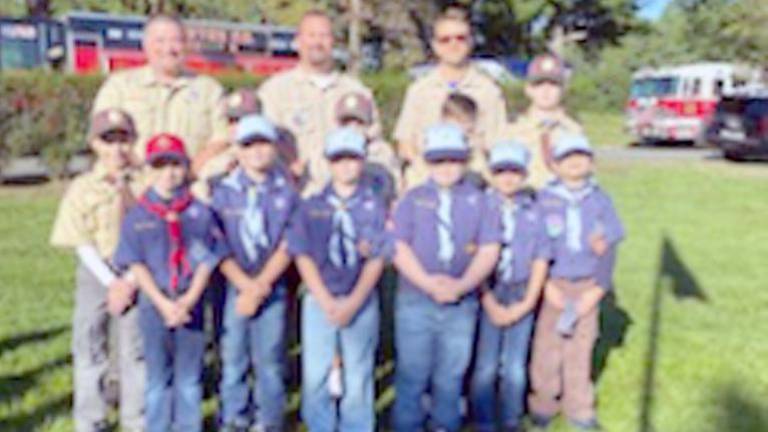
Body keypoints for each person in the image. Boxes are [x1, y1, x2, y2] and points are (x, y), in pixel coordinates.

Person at [390, 123, 501, 431]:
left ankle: (444, 424)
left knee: (450, 376)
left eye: (453, 160)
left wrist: (462, 285)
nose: (446, 167)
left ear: (465, 161)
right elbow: (399, 247)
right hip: (415, 298)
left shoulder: (481, 200)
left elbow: (489, 248)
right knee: (412, 373)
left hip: (461, 302)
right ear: (427, 161)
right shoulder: (412, 199)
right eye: (438, 160)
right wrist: (428, 283)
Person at [113, 133, 225, 432]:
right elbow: (136, 262)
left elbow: (206, 258)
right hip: (155, 301)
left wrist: (189, 299)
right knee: (157, 377)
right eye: (160, 166)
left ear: (186, 167)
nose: (168, 173)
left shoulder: (199, 213)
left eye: (175, 165)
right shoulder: (138, 216)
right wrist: (163, 303)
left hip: (192, 302)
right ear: (148, 170)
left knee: (189, 378)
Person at [50, 109, 145, 432]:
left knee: (135, 352)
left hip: (140, 272)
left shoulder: (146, 182)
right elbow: (80, 239)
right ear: (94, 144)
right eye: (108, 141)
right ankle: (91, 421)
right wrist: (112, 282)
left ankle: (136, 421)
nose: (117, 149)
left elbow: (156, 233)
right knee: (91, 348)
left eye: (124, 140)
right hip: (97, 270)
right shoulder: (82, 187)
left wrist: (130, 281)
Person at [287, 127, 388, 431]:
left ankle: (356, 426)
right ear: (328, 164)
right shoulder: (311, 206)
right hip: (320, 300)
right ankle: (320, 425)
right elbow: (301, 254)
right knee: (316, 372)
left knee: (358, 372)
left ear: (363, 162)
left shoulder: (374, 207)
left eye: (352, 159)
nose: (346, 166)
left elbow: (378, 257)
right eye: (338, 160)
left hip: (360, 299)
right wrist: (325, 299)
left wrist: (354, 301)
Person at [528, 134, 625, 431]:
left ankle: (579, 408)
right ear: (555, 165)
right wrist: (545, 287)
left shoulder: (600, 200)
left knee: (580, 350)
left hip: (586, 285)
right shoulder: (543, 199)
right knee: (547, 348)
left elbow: (609, 245)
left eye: (581, 157)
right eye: (567, 158)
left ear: (592, 162)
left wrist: (597, 290)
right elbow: (534, 247)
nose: (575, 164)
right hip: (553, 284)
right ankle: (543, 403)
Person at [211, 115, 298, 431]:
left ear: (275, 147)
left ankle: (269, 420)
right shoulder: (222, 191)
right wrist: (244, 285)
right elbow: (214, 242)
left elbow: (291, 241)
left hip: (270, 285)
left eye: (263, 143)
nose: (257, 152)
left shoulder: (286, 192)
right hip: (233, 284)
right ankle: (234, 417)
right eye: (249, 145)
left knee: (270, 360)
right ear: (237, 150)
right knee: (233, 358)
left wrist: (260, 284)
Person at [258, 10, 385, 197]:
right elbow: (261, 145)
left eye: (324, 36)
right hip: (295, 197)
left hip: (347, 198)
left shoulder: (356, 92)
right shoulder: (275, 91)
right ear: (298, 41)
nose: (317, 43)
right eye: (311, 35)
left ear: (333, 41)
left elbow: (375, 146)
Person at [469, 141, 550, 432]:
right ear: (491, 173)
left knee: (514, 365)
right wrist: (488, 300)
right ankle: (483, 419)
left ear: (524, 174)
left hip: (521, 289)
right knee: (486, 364)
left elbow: (542, 256)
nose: (508, 178)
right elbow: (473, 258)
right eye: (501, 171)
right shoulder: (479, 206)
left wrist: (529, 301)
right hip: (488, 289)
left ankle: (511, 418)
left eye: (514, 171)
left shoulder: (535, 210)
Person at [92, 14, 229, 177]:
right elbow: (100, 138)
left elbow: (222, 139)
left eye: (176, 41)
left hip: (190, 186)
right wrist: (139, 174)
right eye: (160, 41)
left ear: (186, 45)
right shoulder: (119, 87)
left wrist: (189, 173)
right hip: (131, 182)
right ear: (145, 45)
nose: (168, 49)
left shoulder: (209, 90)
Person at [394, 6, 507, 190]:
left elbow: (497, 144)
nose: (453, 45)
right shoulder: (419, 90)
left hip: (473, 182)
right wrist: (429, 171)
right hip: (425, 181)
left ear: (471, 42)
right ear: (435, 45)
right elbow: (405, 143)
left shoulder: (488, 91)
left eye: (460, 38)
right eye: (445, 40)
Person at [502, 54, 583, 189]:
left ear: (563, 90)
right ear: (528, 89)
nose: (546, 91)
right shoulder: (513, 130)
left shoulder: (573, 131)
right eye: (539, 84)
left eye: (553, 84)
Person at [335, 91, 402, 205]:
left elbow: (396, 190)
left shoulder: (382, 152)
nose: (352, 128)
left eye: (358, 123)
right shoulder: (331, 152)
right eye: (346, 123)